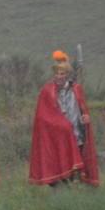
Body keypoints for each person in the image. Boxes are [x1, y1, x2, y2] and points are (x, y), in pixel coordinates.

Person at [29, 50, 98, 187]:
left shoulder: (76, 89)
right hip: (56, 135)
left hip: (76, 132)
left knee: (75, 162)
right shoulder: (47, 90)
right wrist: (60, 125)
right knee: (57, 159)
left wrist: (86, 117)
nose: (59, 77)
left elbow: (82, 107)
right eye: (56, 74)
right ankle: (60, 187)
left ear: (68, 75)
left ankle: (73, 186)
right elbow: (43, 115)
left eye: (62, 74)